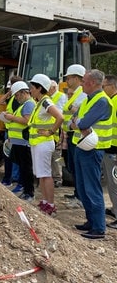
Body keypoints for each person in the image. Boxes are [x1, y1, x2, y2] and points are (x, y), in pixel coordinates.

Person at [71, 69, 112, 239]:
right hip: (82, 147)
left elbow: (83, 122)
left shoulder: (101, 101)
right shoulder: (89, 99)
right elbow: (74, 120)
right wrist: (78, 123)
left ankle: (99, 227)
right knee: (82, 187)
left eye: (84, 82)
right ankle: (91, 221)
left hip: (92, 150)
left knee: (91, 188)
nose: (81, 84)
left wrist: (79, 123)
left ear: (94, 83)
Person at [29, 74, 64, 215]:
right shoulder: (40, 102)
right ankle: (45, 201)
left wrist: (51, 132)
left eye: (32, 88)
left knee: (45, 174)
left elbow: (60, 117)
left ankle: (50, 204)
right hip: (38, 143)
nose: (30, 90)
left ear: (39, 88)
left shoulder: (45, 102)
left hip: (43, 143)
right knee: (41, 175)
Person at [3, 81, 36, 201]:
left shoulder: (28, 104)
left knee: (26, 168)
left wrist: (11, 118)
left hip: (23, 142)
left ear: (23, 93)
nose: (16, 98)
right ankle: (26, 191)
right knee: (23, 168)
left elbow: (26, 120)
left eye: (17, 95)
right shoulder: (24, 105)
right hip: (18, 142)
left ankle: (29, 192)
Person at [62, 64, 87, 202]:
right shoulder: (75, 92)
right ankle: (77, 193)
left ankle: (80, 196)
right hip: (70, 133)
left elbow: (78, 111)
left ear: (77, 78)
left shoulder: (82, 93)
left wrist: (71, 107)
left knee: (77, 168)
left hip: (76, 135)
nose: (67, 81)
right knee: (73, 166)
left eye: (69, 78)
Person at [0, 75, 22, 188]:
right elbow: (0, 101)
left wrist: (9, 116)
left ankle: (14, 179)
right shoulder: (12, 97)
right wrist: (9, 93)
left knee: (12, 157)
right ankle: (11, 178)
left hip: (15, 132)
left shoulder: (19, 100)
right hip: (10, 130)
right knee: (8, 156)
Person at [102, 74, 117, 229]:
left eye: (104, 86)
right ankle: (114, 209)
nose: (103, 88)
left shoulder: (115, 102)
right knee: (112, 183)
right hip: (110, 147)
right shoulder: (111, 101)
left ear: (112, 86)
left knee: (114, 184)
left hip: (115, 150)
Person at [48, 80, 67, 187]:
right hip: (52, 128)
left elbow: (59, 112)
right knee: (52, 153)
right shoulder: (49, 97)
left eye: (48, 88)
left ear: (53, 88)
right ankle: (53, 176)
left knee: (57, 154)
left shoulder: (61, 96)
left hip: (58, 128)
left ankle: (58, 177)